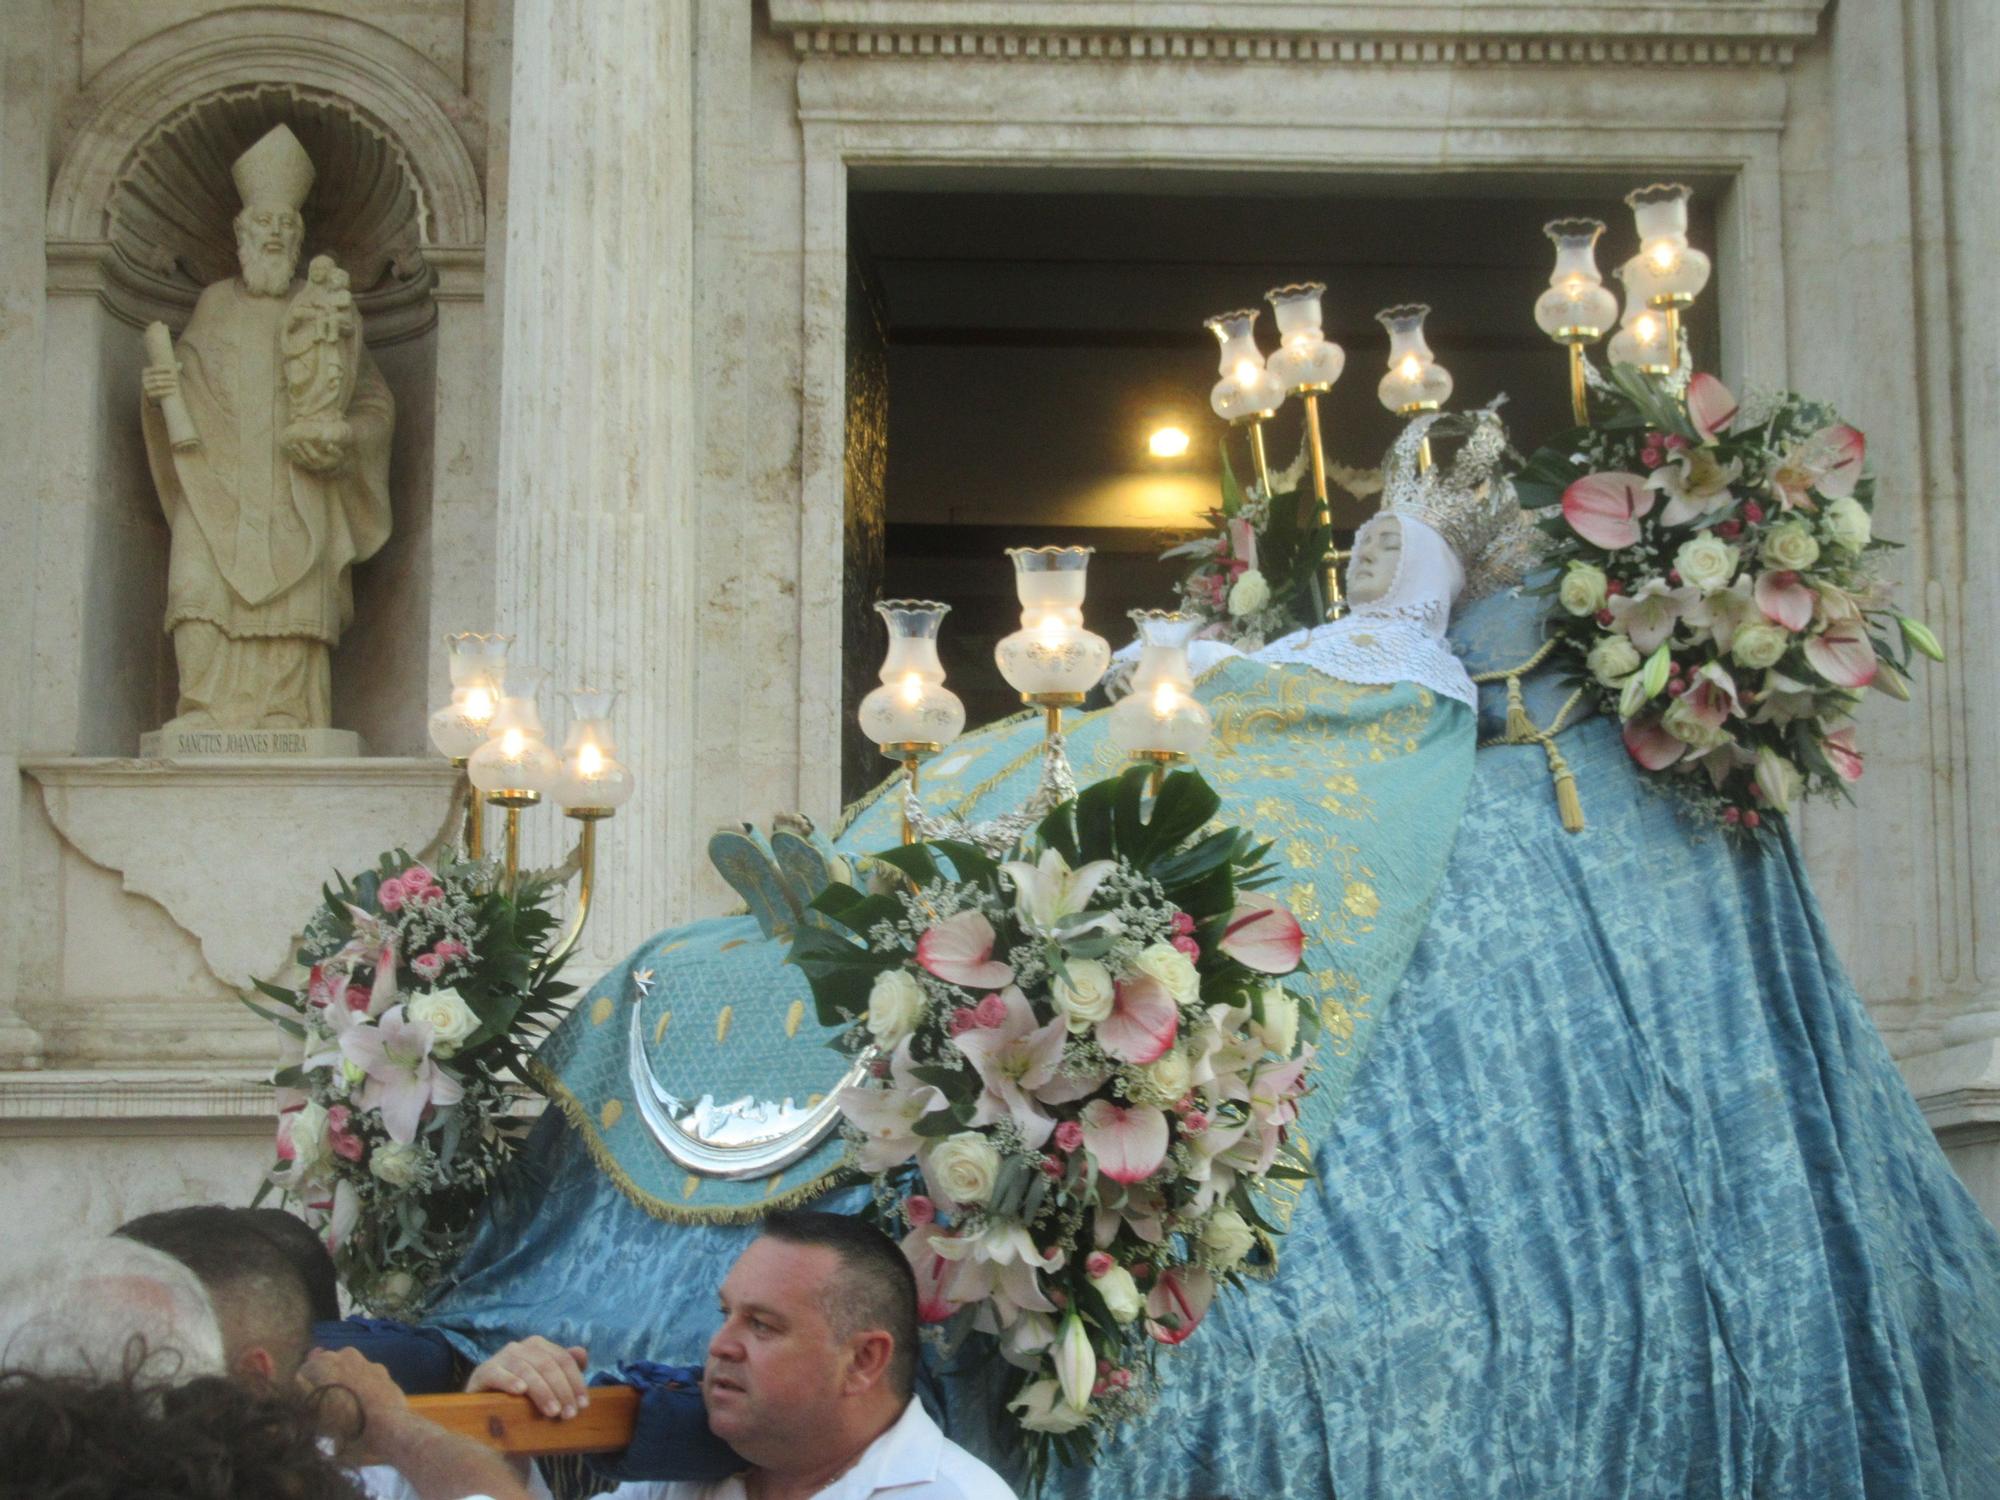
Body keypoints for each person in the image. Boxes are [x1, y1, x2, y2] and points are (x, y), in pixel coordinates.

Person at [139, 122, 393, 733]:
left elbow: (374, 402)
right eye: (264, 226)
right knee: (198, 591)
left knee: (294, 598)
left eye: (287, 228)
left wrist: (347, 440)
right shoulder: (214, 306)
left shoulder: (325, 311)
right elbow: (185, 391)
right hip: (214, 487)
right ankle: (202, 709)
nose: (275, 237)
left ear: (300, 239)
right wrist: (157, 398)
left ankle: (289, 713)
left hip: (298, 489)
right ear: (241, 235)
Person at [554, 1211, 1011, 1500]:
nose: (719, 1345)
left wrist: (487, 1470)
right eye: (725, 1313)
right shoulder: (687, 1473)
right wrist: (495, 1435)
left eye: (761, 1325)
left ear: (863, 1361)